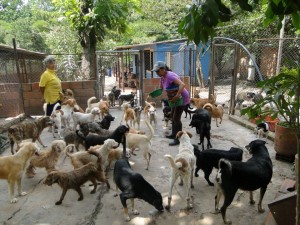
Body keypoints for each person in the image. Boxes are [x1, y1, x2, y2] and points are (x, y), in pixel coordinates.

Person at [151, 61, 190, 146]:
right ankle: (173, 134)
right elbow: (162, 88)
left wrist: (177, 95)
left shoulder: (169, 76)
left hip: (181, 97)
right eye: (156, 71)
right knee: (172, 115)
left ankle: (178, 139)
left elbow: (182, 84)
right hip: (173, 98)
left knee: (176, 118)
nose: (157, 73)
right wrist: (154, 93)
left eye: (158, 71)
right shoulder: (162, 77)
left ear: (163, 69)